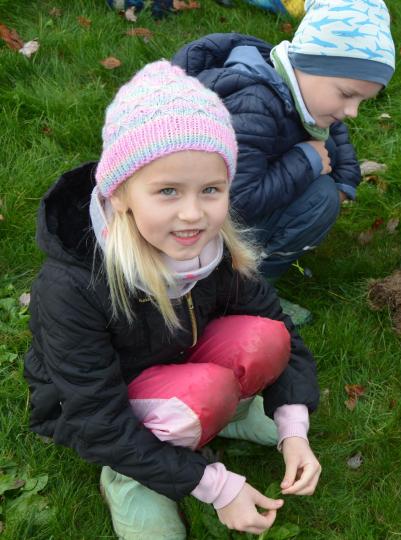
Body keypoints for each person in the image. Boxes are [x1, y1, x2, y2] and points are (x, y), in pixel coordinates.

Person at [23, 61, 322, 539]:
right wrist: (216, 487)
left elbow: (275, 319)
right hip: (103, 411)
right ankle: (130, 479)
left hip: (179, 366)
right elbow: (96, 418)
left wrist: (292, 424)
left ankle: (226, 415)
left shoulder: (210, 247)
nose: (192, 214)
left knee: (266, 337)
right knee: (200, 395)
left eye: (211, 190)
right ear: (119, 193)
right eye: (167, 191)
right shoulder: (71, 287)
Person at [172, 0, 395, 322]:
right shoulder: (254, 104)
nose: (352, 110)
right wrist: (305, 161)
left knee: (325, 193)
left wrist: (345, 179)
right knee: (319, 197)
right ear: (310, 65)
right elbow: (235, 202)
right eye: (347, 94)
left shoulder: (303, 93)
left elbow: (334, 135)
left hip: (226, 217)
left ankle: (244, 284)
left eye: (362, 100)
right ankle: (242, 291)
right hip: (199, 226)